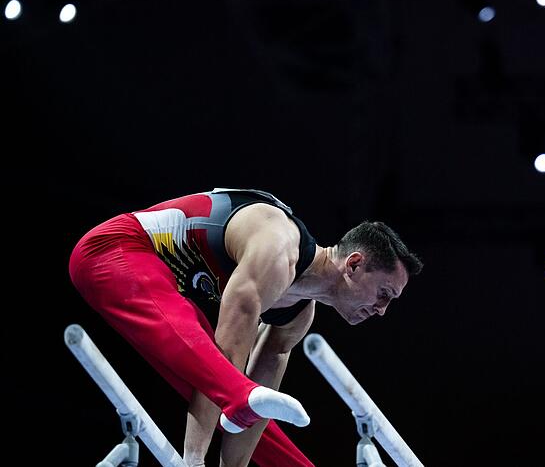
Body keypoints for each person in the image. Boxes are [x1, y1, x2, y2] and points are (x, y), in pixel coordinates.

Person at [68, 188, 422, 467]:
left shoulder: (297, 316)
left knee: (248, 399)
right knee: (215, 362)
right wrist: (192, 459)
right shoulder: (277, 247)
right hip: (113, 250)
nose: (381, 311)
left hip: (167, 302)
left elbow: (255, 411)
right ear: (355, 264)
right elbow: (226, 354)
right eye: (384, 294)